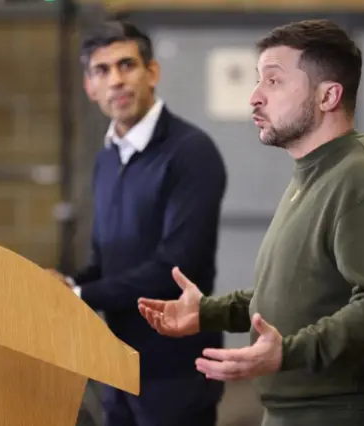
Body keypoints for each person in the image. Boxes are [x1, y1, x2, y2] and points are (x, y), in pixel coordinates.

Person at [138, 19, 364, 426]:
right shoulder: (315, 173)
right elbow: (299, 289)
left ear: (328, 95)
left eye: (273, 82)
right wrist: (209, 312)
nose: (255, 97)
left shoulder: (361, 178)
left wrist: (289, 352)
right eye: (258, 82)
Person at [50, 20, 226, 426]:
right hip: (116, 364)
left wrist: (79, 293)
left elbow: (174, 268)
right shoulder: (107, 157)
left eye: (126, 65)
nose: (116, 80)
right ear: (89, 87)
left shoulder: (191, 153)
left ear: (152, 73)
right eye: (102, 70)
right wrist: (64, 286)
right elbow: (105, 256)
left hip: (175, 373)